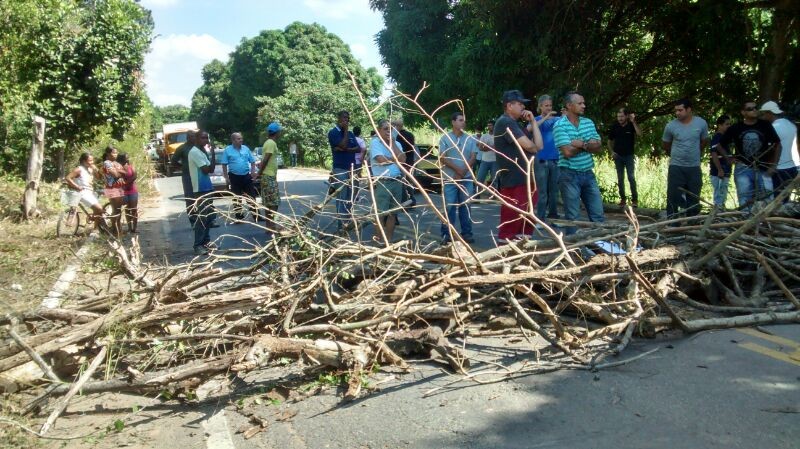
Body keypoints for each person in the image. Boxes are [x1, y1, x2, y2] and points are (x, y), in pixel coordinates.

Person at [493, 90, 543, 241]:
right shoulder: (505, 122)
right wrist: (532, 145)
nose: (523, 107)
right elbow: (530, 146)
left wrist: (533, 122)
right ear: (509, 106)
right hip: (514, 179)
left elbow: (539, 146)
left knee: (526, 221)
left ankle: (523, 251)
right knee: (512, 220)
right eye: (520, 104)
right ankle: (506, 253)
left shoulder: (516, 124)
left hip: (525, 179)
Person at [553, 92, 605, 235]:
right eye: (580, 103)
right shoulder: (559, 126)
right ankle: (573, 251)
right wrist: (588, 144)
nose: (584, 105)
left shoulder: (588, 122)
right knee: (573, 218)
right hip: (569, 175)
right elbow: (567, 152)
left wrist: (581, 144)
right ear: (569, 106)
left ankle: (600, 247)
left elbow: (598, 147)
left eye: (584, 103)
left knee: (598, 215)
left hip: (588, 173)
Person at [720, 100, 781, 210]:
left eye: (755, 108)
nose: (754, 110)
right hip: (743, 169)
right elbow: (720, 145)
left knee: (767, 202)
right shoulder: (736, 127)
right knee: (745, 202)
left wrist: (774, 165)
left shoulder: (765, 125)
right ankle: (746, 225)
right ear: (743, 112)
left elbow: (777, 144)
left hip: (763, 168)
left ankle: (767, 226)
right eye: (750, 109)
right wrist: (729, 158)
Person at [662, 98, 709, 219]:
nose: (677, 113)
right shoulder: (670, 126)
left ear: (689, 110)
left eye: (680, 110)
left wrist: (695, 152)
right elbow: (666, 145)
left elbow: (704, 141)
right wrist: (675, 155)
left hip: (694, 166)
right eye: (676, 110)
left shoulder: (701, 123)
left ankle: (692, 222)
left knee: (694, 196)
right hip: (676, 166)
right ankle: (672, 222)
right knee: (673, 196)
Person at [439, 112, 478, 244]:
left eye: (464, 120)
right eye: (460, 120)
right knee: (449, 207)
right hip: (450, 178)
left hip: (466, 178)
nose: (463, 123)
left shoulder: (470, 139)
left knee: (465, 206)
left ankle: (467, 233)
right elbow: (442, 157)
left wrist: (462, 172)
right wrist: (457, 170)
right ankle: (446, 234)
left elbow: (473, 157)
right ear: (453, 122)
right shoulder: (445, 138)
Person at [369, 119, 406, 243]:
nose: (388, 132)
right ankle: (378, 241)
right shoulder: (375, 143)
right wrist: (395, 159)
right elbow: (381, 160)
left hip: (396, 181)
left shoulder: (397, 144)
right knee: (380, 214)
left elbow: (403, 159)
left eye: (390, 129)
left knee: (393, 214)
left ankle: (388, 242)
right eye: (385, 129)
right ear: (379, 130)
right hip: (383, 182)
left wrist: (393, 144)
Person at [327, 110, 361, 229]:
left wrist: (346, 149)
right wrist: (345, 132)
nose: (346, 120)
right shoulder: (333, 132)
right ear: (338, 118)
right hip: (340, 169)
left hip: (351, 169)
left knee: (350, 197)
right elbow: (342, 144)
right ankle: (341, 225)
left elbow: (358, 149)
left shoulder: (351, 134)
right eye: (344, 118)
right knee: (341, 197)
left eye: (348, 118)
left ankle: (347, 220)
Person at [760, 101, 798, 201]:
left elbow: (773, 148)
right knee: (785, 199)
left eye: (763, 114)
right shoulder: (791, 125)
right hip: (792, 167)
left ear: (769, 113)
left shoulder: (773, 128)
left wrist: (772, 166)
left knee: (775, 201)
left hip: (778, 169)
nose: (762, 117)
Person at [187, 131, 217, 255]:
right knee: (202, 218)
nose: (205, 140)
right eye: (203, 137)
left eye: (207, 137)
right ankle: (198, 245)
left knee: (209, 217)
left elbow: (212, 168)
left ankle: (206, 242)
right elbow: (206, 170)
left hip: (207, 187)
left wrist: (213, 153)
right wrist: (210, 159)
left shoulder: (202, 152)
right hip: (200, 189)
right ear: (197, 139)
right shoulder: (194, 152)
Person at [534, 95, 561, 220]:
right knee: (542, 192)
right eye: (546, 106)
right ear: (540, 107)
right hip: (541, 160)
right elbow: (531, 128)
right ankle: (540, 218)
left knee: (554, 191)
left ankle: (553, 215)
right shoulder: (536, 119)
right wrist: (545, 117)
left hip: (555, 159)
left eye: (550, 105)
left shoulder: (557, 120)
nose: (549, 108)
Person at [608, 107, 642, 207]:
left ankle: (635, 200)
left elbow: (640, 134)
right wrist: (612, 152)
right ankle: (623, 199)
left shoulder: (631, 125)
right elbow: (609, 141)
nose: (620, 118)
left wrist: (634, 121)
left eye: (622, 116)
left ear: (626, 116)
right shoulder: (615, 126)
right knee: (620, 178)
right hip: (618, 156)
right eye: (618, 116)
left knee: (631, 177)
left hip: (629, 156)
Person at [220, 132, 257, 220]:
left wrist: (253, 172)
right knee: (236, 197)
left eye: (241, 138)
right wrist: (226, 177)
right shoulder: (227, 150)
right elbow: (224, 164)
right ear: (233, 140)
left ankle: (256, 215)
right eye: (238, 139)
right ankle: (239, 216)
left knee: (251, 196)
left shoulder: (246, 149)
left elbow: (252, 161)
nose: (241, 140)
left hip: (246, 176)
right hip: (234, 176)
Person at [64, 152, 105, 225]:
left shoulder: (90, 169)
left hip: (90, 192)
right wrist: (77, 186)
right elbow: (68, 178)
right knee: (99, 208)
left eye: (92, 160)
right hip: (82, 192)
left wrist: (96, 170)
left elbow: (99, 178)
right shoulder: (79, 169)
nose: (92, 162)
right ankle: (95, 230)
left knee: (99, 210)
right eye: (90, 160)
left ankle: (100, 226)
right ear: (83, 161)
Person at [257, 122, 283, 230]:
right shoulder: (271, 143)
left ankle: (270, 226)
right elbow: (266, 158)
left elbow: (264, 159)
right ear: (277, 132)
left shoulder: (268, 142)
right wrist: (259, 173)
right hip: (269, 176)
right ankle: (272, 225)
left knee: (269, 202)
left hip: (267, 175)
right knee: (274, 202)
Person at [101, 145, 126, 237]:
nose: (116, 154)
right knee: (116, 210)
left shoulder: (114, 163)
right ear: (108, 154)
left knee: (118, 210)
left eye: (116, 153)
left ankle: (118, 229)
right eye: (113, 153)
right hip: (112, 189)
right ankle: (116, 231)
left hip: (118, 188)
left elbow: (125, 173)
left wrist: (120, 171)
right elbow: (115, 174)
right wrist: (120, 171)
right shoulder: (107, 163)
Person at [709, 115, 732, 209]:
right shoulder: (717, 137)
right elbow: (714, 154)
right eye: (727, 124)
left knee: (723, 192)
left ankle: (721, 210)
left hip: (725, 170)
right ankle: (717, 212)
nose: (729, 126)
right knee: (719, 194)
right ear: (720, 125)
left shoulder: (725, 137)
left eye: (730, 124)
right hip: (718, 172)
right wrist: (719, 169)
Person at [393, 118, 417, 207]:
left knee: (403, 182)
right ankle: (411, 199)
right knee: (409, 182)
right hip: (410, 162)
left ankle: (405, 201)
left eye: (394, 125)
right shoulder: (410, 135)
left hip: (402, 162)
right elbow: (412, 148)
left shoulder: (397, 136)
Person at [116, 153, 139, 233]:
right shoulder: (118, 167)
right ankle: (129, 228)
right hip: (123, 191)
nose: (128, 158)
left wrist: (126, 182)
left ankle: (135, 228)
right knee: (127, 210)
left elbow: (135, 176)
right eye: (126, 157)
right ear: (122, 158)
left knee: (134, 209)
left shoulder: (131, 166)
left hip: (132, 190)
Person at [476, 120, 498, 198]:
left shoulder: (498, 136)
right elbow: (480, 148)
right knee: (480, 178)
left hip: (495, 161)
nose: (489, 127)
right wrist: (492, 147)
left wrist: (487, 146)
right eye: (488, 125)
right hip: (484, 160)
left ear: (494, 126)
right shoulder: (484, 136)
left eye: (491, 125)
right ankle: (477, 195)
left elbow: (498, 148)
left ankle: (494, 195)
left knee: (494, 179)